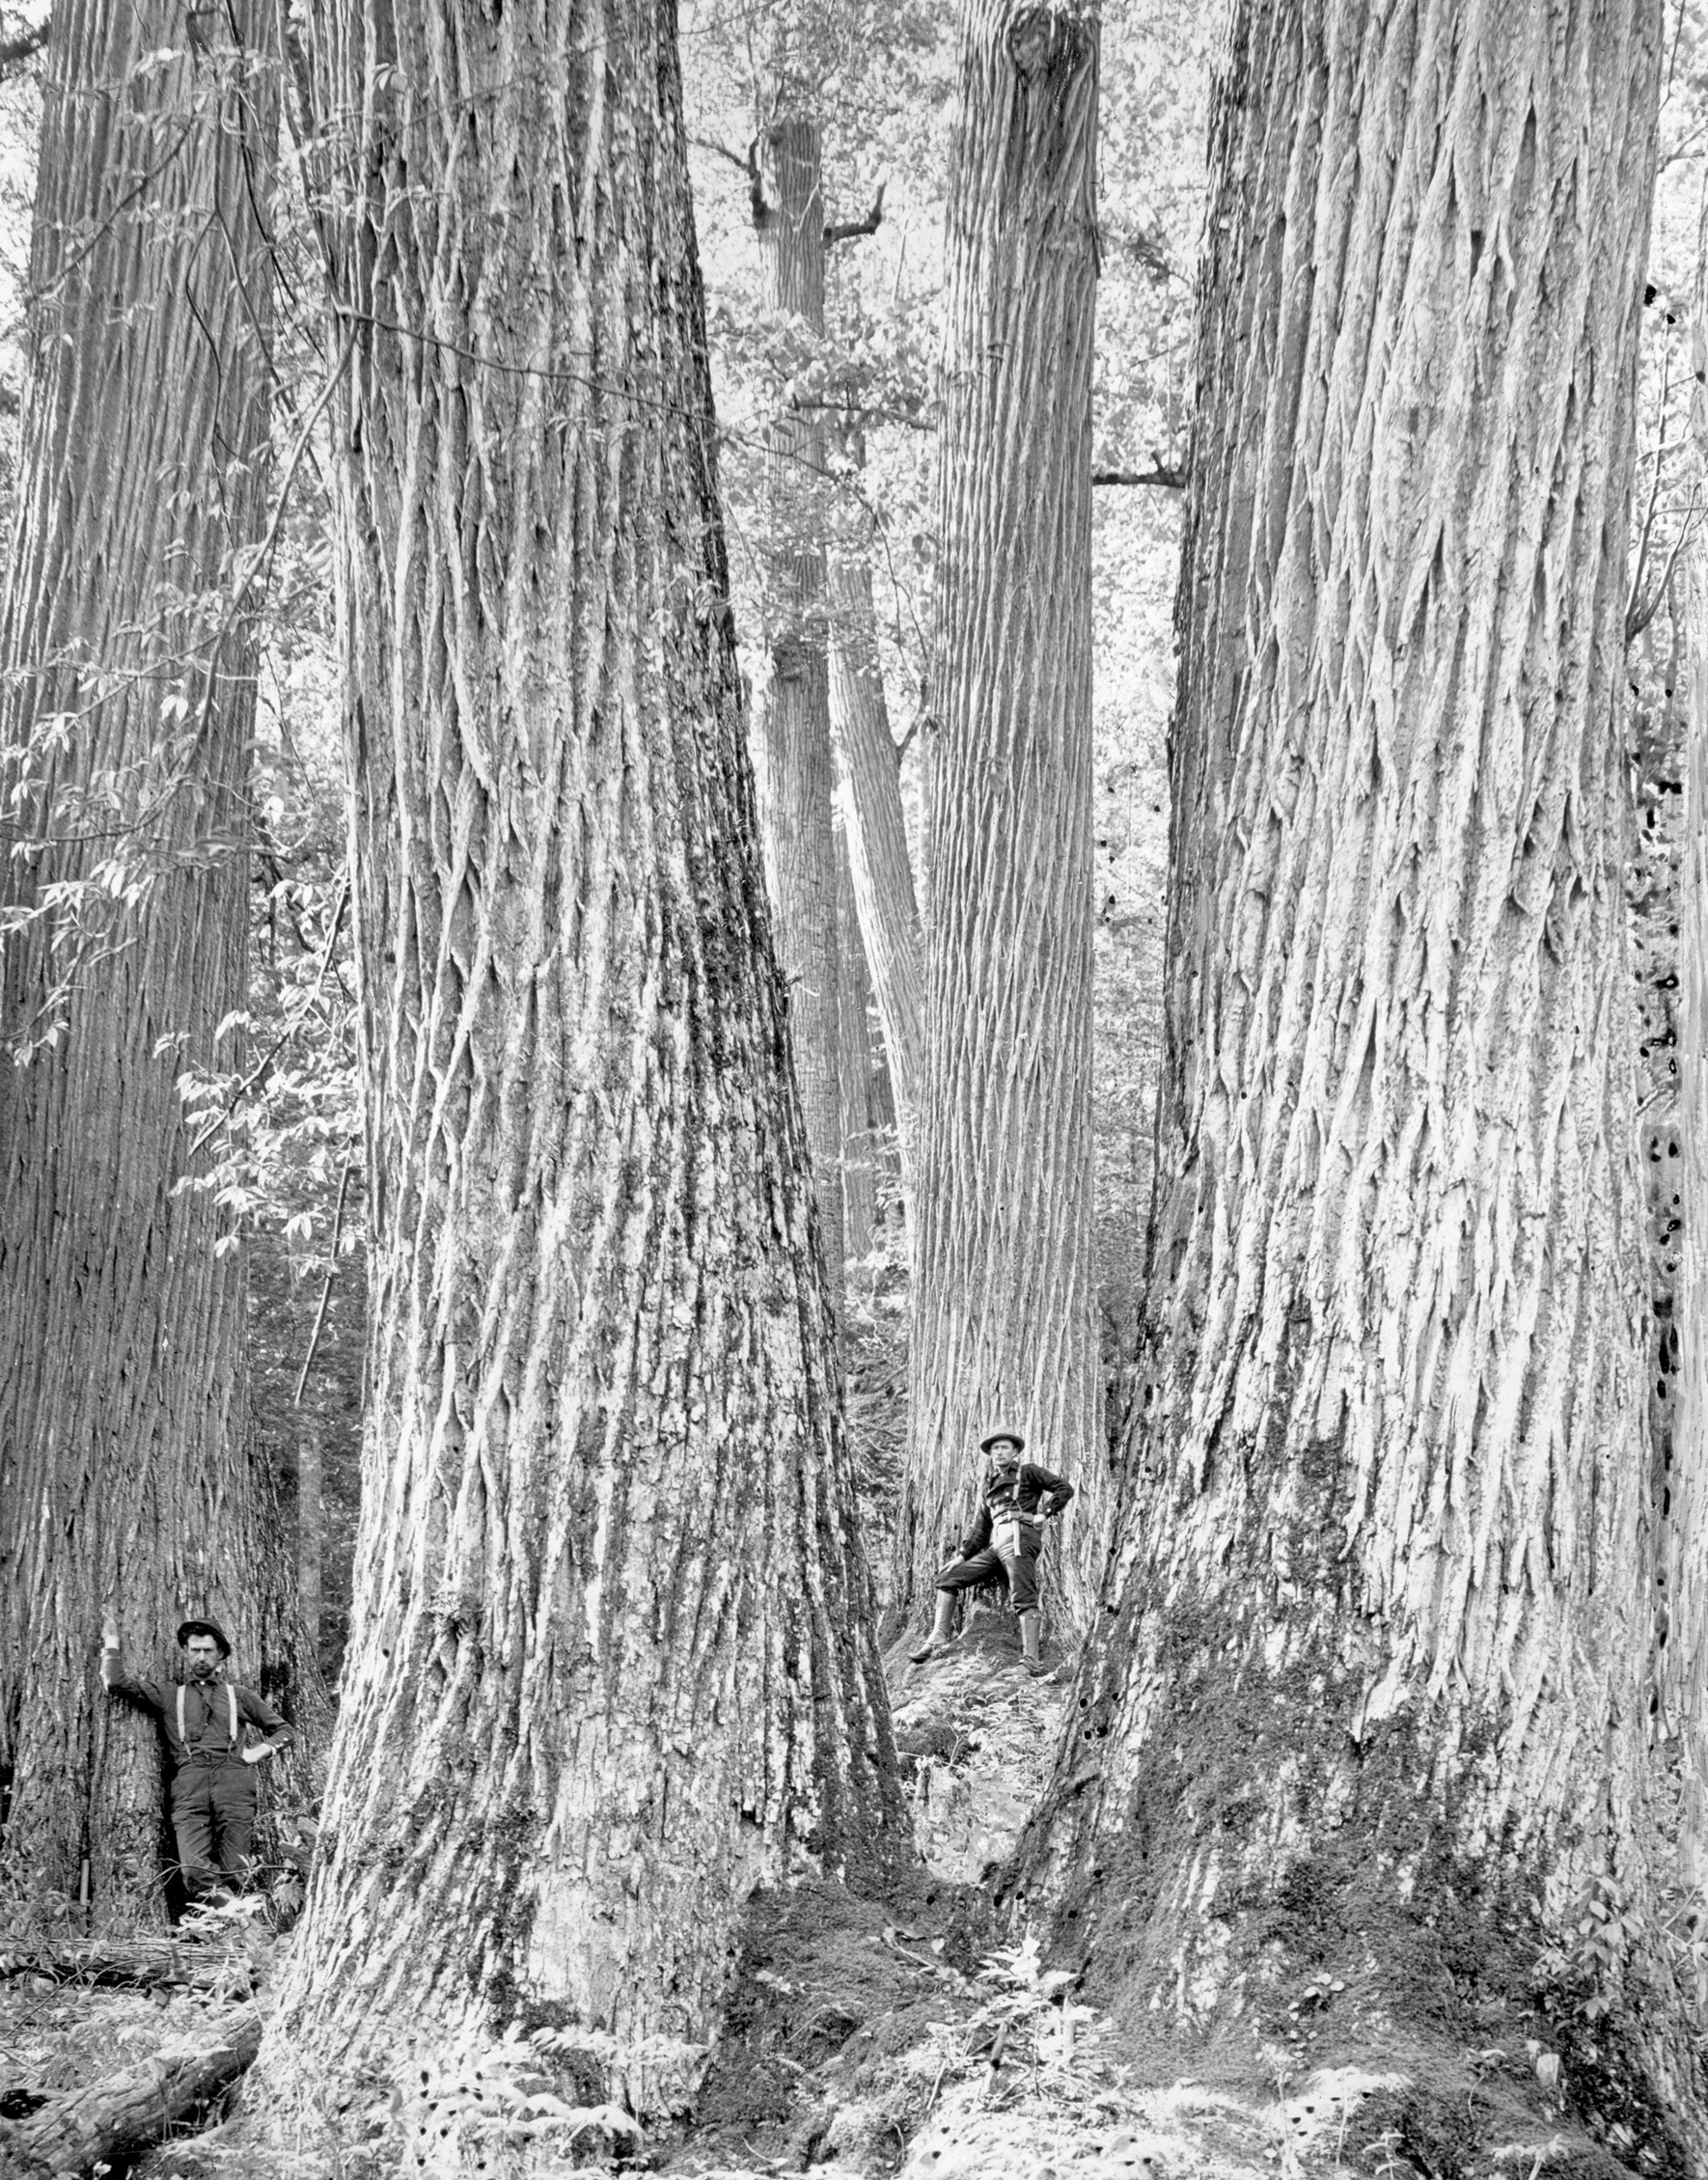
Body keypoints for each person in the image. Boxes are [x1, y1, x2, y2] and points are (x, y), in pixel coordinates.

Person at [99, 1612, 294, 1906]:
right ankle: (234, 1919)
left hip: (234, 1781)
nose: (201, 1657)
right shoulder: (169, 1695)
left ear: (221, 1656)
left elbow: (284, 1730)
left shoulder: (238, 1695)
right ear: (185, 1653)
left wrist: (258, 1751)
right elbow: (117, 1683)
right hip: (190, 1782)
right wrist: (111, 1642)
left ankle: (234, 1941)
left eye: (208, 1651)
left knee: (238, 1869)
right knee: (193, 1870)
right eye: (195, 1650)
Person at [909, 1427, 1074, 1674]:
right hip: (997, 1546)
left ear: (1015, 1451)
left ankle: (1030, 1664)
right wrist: (962, 1557)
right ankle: (938, 1637)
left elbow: (1064, 1488)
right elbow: (981, 1529)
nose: (998, 1452)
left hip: (1020, 1538)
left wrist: (1045, 1513)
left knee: (1024, 1598)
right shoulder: (990, 1486)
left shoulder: (1028, 1472)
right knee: (946, 1580)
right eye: (994, 1449)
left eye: (1004, 1447)